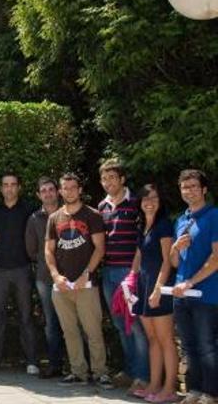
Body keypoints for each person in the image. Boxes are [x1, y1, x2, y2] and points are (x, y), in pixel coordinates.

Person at [45, 173, 112, 389]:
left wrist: (87, 274)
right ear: (61, 191)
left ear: (80, 189)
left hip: (86, 284)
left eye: (73, 187)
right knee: (69, 331)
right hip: (61, 285)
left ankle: (101, 372)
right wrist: (55, 275)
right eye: (65, 188)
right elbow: (48, 250)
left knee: (93, 331)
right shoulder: (54, 218)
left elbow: (100, 248)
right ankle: (78, 372)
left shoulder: (91, 215)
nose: (69, 191)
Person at [98, 159, 149, 391]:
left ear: (122, 179)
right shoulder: (102, 207)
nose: (108, 182)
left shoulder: (137, 204)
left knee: (135, 324)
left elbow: (142, 241)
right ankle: (129, 371)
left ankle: (143, 375)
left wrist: (134, 273)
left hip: (129, 273)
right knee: (120, 324)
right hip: (108, 271)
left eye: (112, 177)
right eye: (104, 178)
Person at [0, 173, 39, 376]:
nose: (9, 188)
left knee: (26, 316)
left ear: (19, 188)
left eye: (13, 184)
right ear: (1, 188)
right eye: (5, 185)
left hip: (22, 269)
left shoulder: (29, 209)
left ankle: (32, 360)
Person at [170, 169, 218, 404]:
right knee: (188, 346)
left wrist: (191, 281)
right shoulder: (181, 220)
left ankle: (211, 393)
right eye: (184, 187)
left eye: (193, 186)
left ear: (204, 189)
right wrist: (175, 248)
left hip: (206, 294)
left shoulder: (214, 216)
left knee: (207, 345)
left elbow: (216, 259)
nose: (189, 191)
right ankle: (195, 390)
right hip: (181, 295)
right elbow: (173, 262)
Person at [130, 184, 178, 402]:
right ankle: (154, 384)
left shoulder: (164, 225)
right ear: (140, 202)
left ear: (161, 202)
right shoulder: (142, 225)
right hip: (143, 287)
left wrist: (158, 289)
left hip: (160, 288)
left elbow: (167, 262)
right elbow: (138, 256)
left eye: (154, 198)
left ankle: (169, 389)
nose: (149, 202)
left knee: (165, 340)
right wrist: (130, 280)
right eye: (145, 199)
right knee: (152, 339)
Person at [24, 177, 65, 379]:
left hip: (71, 276)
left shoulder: (69, 213)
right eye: (44, 191)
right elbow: (31, 250)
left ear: (57, 192)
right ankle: (55, 364)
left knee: (74, 321)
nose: (48, 193)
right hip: (45, 277)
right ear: (39, 195)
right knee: (51, 322)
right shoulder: (34, 219)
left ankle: (82, 366)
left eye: (51, 189)